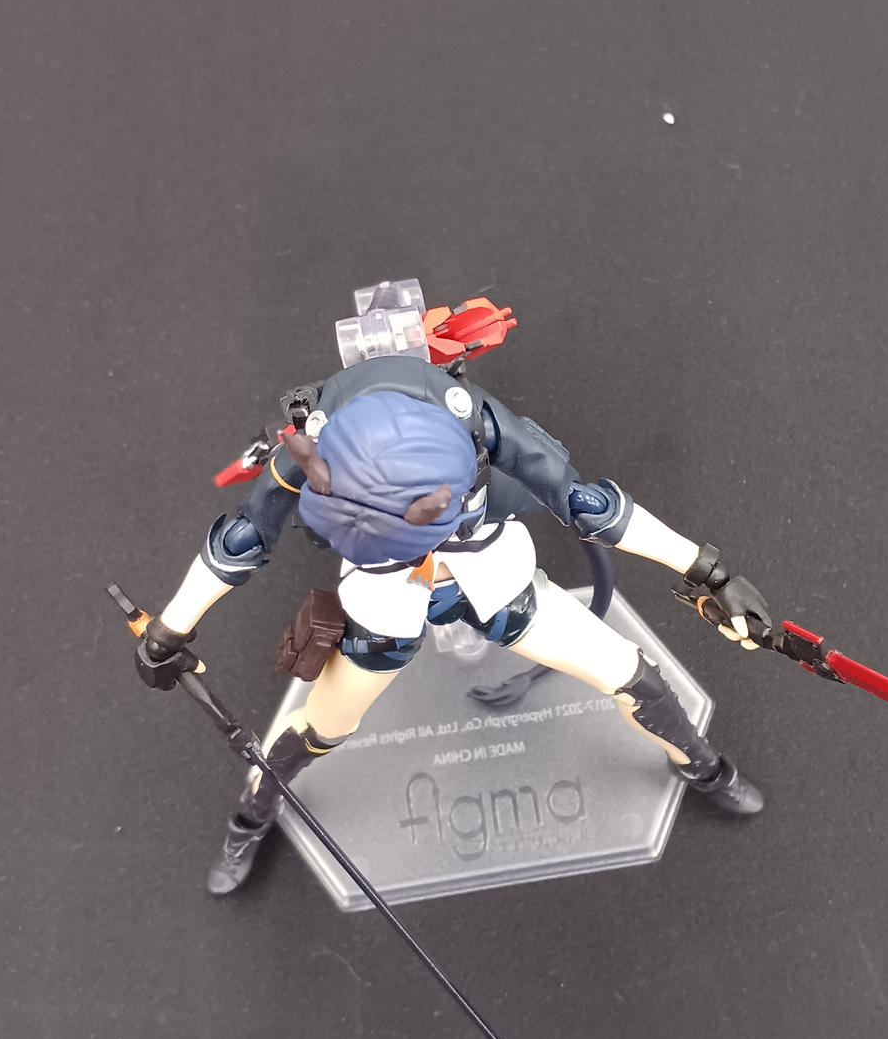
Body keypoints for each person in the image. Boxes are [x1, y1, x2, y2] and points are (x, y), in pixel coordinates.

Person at [136, 283, 774, 894]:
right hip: (384, 607)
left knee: (635, 677)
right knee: (319, 729)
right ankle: (253, 814)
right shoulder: (310, 451)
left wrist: (710, 574)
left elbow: (591, 506)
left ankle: (700, 764)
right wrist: (169, 631)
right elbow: (242, 540)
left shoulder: (478, 425)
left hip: (493, 576)